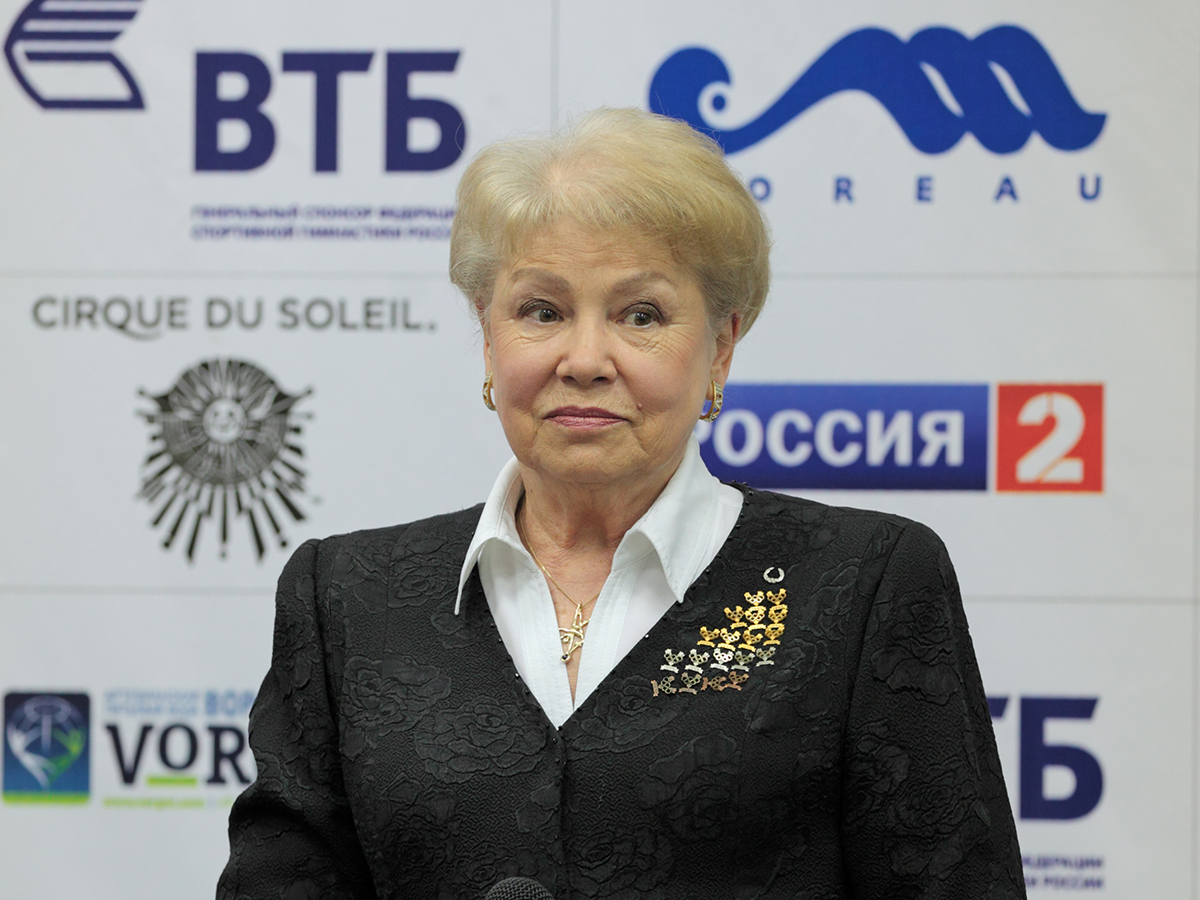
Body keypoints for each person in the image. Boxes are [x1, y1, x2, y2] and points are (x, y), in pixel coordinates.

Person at [217, 108, 1025, 899]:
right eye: (542, 311)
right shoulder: (346, 597)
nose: (585, 359)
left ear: (721, 347)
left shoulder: (866, 581)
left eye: (641, 315)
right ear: (489, 336)